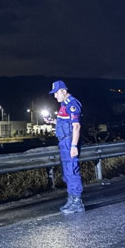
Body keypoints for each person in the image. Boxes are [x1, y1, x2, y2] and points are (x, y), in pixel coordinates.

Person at [46, 80, 85, 214]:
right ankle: (71, 199)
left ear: (63, 91)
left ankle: (77, 202)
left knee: (72, 172)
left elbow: (76, 126)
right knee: (67, 173)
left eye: (56, 93)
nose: (55, 96)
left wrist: (74, 145)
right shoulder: (64, 105)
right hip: (64, 141)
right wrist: (53, 121)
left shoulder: (72, 104)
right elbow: (66, 122)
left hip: (69, 141)